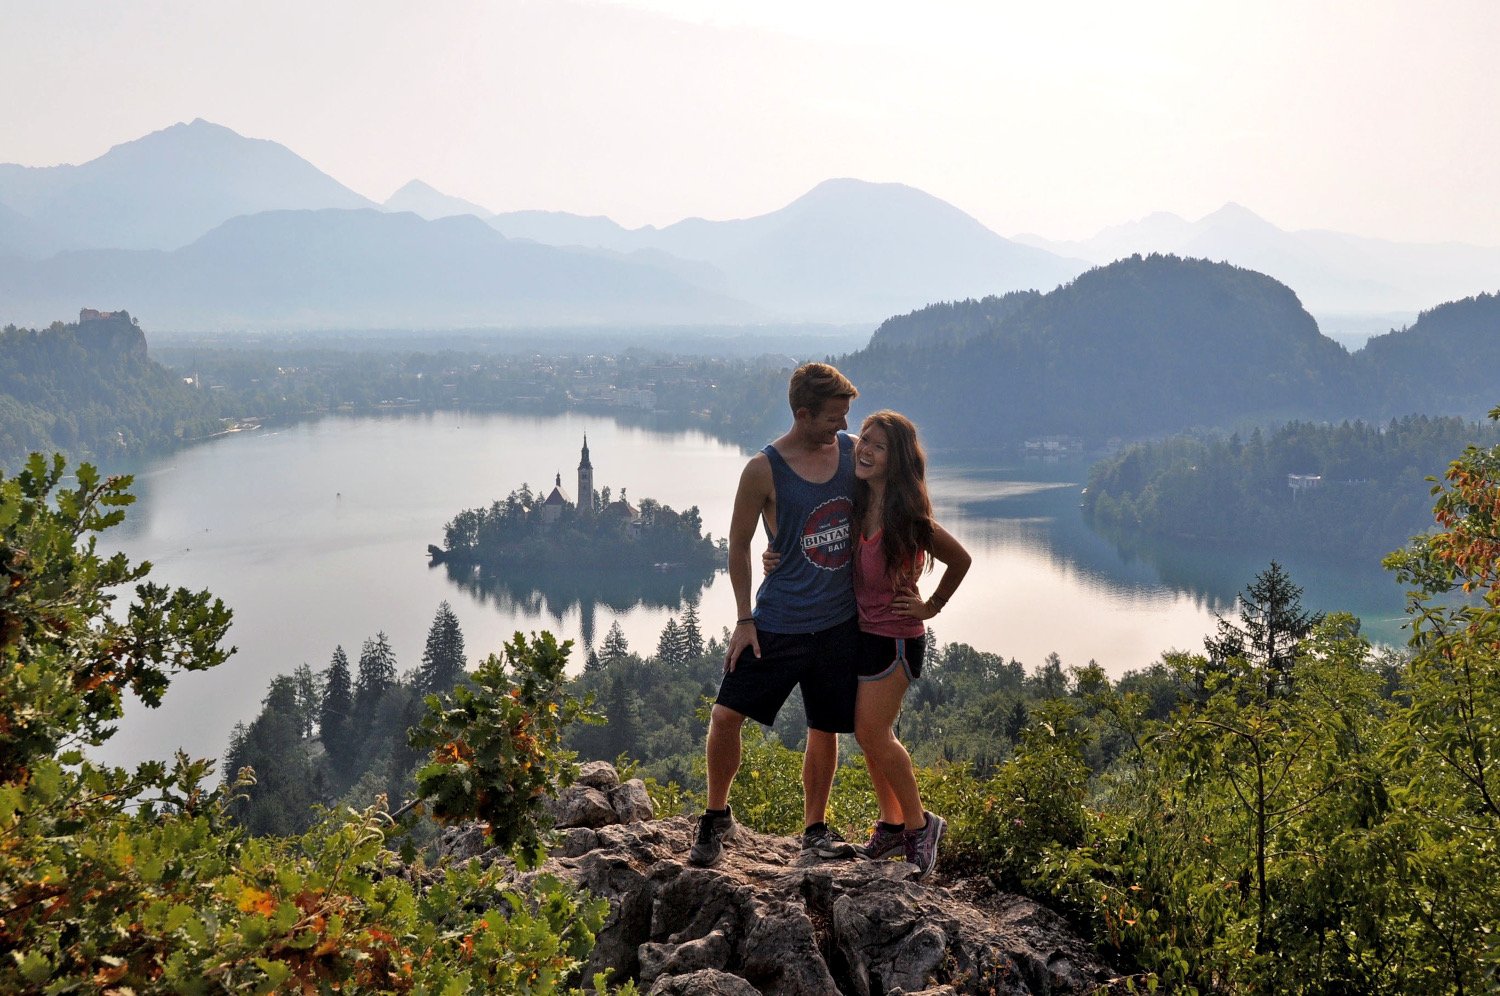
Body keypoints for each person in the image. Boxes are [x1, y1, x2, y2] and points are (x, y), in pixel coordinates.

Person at [689, 362, 862, 868]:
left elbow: (881, 514)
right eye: (835, 416)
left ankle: (815, 830)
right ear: (803, 414)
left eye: (846, 415)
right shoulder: (764, 469)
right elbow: (738, 545)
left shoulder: (852, 455)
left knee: (824, 725)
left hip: (838, 621)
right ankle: (716, 816)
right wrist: (745, 619)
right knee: (725, 716)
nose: (843, 426)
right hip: (779, 620)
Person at [793, 410, 971, 878]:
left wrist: (931, 606)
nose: (865, 451)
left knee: (874, 734)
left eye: (878, 446)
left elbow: (960, 559)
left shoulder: (906, 516)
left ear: (898, 460)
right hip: (862, 636)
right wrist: (777, 557)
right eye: (863, 442)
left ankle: (920, 826)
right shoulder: (855, 502)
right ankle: (892, 825)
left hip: (895, 642)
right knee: (868, 736)